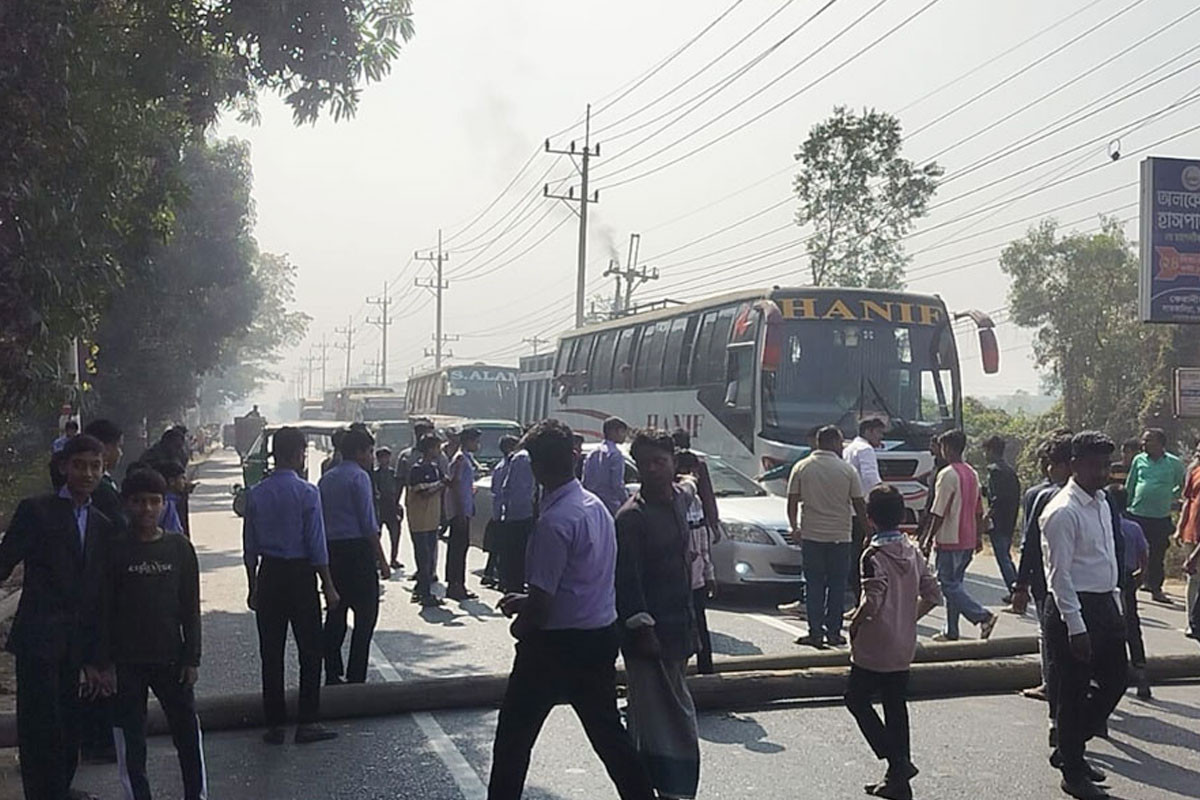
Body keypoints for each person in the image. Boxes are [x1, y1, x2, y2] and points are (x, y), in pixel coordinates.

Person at [489, 420, 654, 800]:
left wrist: (521, 625)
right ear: (574, 460)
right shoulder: (594, 506)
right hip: (598, 635)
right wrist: (528, 602)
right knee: (609, 736)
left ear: (536, 468)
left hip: (553, 646)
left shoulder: (554, 522)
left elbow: (544, 604)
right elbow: (579, 580)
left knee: (514, 737)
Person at [0, 434, 117, 800]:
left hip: (76, 645)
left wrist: (100, 657)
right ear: (65, 466)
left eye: (94, 466)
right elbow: (4, 563)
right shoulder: (36, 511)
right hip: (38, 640)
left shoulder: (103, 524)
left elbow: (100, 595)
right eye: (79, 465)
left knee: (69, 726)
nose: (87, 473)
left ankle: (60, 790)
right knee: (39, 727)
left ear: (104, 470)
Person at [109, 467, 206, 800]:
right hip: (126, 664)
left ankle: (196, 794)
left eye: (154, 501)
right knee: (131, 741)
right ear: (126, 505)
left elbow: (190, 606)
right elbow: (102, 609)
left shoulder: (179, 548)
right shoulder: (114, 549)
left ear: (166, 504)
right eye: (139, 502)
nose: (147, 509)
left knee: (188, 737)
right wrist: (104, 662)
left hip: (172, 660)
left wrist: (192, 657)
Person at [1041, 432, 1128, 800]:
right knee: (1072, 693)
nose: (1103, 473)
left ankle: (1069, 745)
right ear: (1075, 465)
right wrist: (1076, 627)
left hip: (1105, 603)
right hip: (1072, 608)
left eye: (1107, 466)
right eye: (1095, 466)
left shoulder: (1102, 502)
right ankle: (1073, 772)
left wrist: (1117, 607)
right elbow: (1059, 576)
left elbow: (1106, 557)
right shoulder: (1063, 511)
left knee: (1117, 680)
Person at [615, 429, 700, 800]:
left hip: (680, 626)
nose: (653, 470)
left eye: (660, 462)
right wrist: (641, 627)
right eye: (646, 463)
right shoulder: (632, 517)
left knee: (658, 714)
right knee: (665, 717)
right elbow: (626, 581)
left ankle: (663, 787)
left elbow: (694, 482)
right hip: (649, 634)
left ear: (673, 464)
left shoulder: (679, 498)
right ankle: (668, 788)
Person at [242, 426, 341, 744]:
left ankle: (275, 725)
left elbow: (249, 547)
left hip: (269, 574)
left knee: (271, 652)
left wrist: (253, 585)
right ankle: (307, 722)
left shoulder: (255, 494)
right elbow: (317, 544)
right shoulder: (307, 492)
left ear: (274, 453)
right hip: (300, 576)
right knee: (310, 650)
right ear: (299, 454)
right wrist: (328, 584)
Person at [845, 485, 943, 800]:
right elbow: (933, 594)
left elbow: (871, 602)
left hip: (875, 645)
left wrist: (854, 624)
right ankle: (898, 780)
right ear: (902, 515)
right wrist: (906, 617)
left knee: (856, 699)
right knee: (895, 706)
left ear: (870, 518)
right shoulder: (912, 550)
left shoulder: (872, 555)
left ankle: (897, 763)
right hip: (902, 643)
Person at [320, 427, 391, 685]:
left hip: (333, 552)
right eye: (370, 451)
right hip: (358, 552)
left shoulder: (327, 479)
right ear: (360, 452)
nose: (372, 456)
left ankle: (332, 670)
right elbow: (367, 523)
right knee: (365, 617)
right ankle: (356, 676)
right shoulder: (360, 478)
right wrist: (382, 559)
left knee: (336, 614)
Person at [787, 425, 867, 648]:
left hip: (812, 535)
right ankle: (834, 632)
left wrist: (794, 528)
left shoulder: (802, 467)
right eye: (840, 442)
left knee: (813, 585)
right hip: (841, 536)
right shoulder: (847, 470)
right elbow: (859, 504)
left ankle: (815, 632)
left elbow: (792, 501)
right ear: (833, 443)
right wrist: (868, 531)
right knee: (837, 586)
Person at [1011, 431, 1073, 708]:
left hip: (1046, 581)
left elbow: (1030, 544)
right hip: (1078, 584)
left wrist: (1020, 585)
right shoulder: (1098, 497)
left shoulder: (1039, 495)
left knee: (1049, 634)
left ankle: (1052, 685)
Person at [923, 430, 998, 642]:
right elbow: (978, 510)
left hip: (949, 538)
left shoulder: (947, 474)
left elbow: (938, 511)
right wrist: (978, 537)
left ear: (949, 448)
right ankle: (951, 631)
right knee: (955, 586)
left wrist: (928, 538)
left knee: (947, 584)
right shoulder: (972, 473)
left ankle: (982, 616)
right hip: (967, 538)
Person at [80, 417, 125, 763]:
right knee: (100, 664)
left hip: (100, 587)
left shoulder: (103, 487)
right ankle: (98, 739)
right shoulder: (101, 492)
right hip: (99, 587)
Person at [1124, 427, 1185, 605]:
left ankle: (1156, 588)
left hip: (1160, 516)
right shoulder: (1139, 460)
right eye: (1144, 440)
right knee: (1135, 552)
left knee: (1157, 553)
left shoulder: (1173, 463)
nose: (1144, 443)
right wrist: (1125, 506)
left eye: (1148, 440)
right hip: (1138, 514)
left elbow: (1182, 484)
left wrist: (1170, 495)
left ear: (1160, 443)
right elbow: (1131, 483)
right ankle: (1131, 588)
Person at [1106, 484, 1150, 699]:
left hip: (1109, 578)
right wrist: (1142, 572)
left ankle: (1112, 673)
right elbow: (1144, 553)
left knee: (1107, 625)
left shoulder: (1105, 524)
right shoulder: (1134, 527)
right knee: (1132, 623)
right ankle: (1140, 671)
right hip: (1129, 577)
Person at [676, 449, 716, 675]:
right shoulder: (673, 498)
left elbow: (702, 541)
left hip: (695, 576)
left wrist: (709, 574)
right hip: (681, 577)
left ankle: (706, 672)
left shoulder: (694, 501)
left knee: (699, 625)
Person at [845, 418, 886, 603]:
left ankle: (857, 599)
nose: (881, 437)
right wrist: (884, 495)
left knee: (853, 557)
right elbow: (870, 478)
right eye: (879, 432)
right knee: (870, 557)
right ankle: (868, 599)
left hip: (849, 510)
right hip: (865, 510)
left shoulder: (849, 449)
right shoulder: (866, 450)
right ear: (868, 431)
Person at [407, 434, 447, 607]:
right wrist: (441, 484)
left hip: (432, 519)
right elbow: (422, 493)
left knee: (430, 558)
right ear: (429, 449)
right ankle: (424, 593)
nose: (439, 451)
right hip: (419, 520)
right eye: (437, 447)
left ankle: (422, 590)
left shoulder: (434, 467)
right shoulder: (418, 469)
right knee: (423, 558)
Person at [443, 427, 481, 601]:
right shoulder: (460, 459)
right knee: (458, 549)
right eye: (475, 441)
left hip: (464, 508)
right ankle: (455, 585)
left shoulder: (466, 458)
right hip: (459, 511)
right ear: (467, 441)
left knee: (461, 548)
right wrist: (459, 511)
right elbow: (455, 485)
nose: (477, 444)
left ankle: (459, 584)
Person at [983, 435, 1022, 602]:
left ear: (991, 450)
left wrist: (987, 516)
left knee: (1003, 558)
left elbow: (997, 498)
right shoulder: (1010, 471)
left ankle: (1015, 591)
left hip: (998, 521)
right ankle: (1017, 588)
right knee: (1006, 555)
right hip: (1010, 519)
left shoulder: (995, 471)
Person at [499, 438, 536, 594]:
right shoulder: (524, 458)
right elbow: (520, 491)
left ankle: (514, 586)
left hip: (519, 513)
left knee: (518, 557)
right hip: (521, 515)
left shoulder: (522, 457)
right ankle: (514, 589)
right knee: (518, 556)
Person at [483, 436, 517, 589]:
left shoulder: (500, 466)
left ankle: (489, 573)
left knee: (497, 546)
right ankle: (502, 579)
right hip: (505, 512)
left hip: (499, 511)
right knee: (504, 548)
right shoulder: (508, 467)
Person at [1176, 443, 1200, 642]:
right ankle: (1191, 621)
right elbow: (1187, 501)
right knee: (1193, 579)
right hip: (1192, 532)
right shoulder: (1194, 471)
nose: (1197, 455)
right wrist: (1180, 528)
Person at [583, 416, 630, 516]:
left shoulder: (592, 453)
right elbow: (617, 485)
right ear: (613, 432)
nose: (625, 435)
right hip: (610, 506)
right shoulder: (615, 455)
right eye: (622, 431)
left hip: (591, 504)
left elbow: (585, 481)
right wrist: (626, 501)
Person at [373, 446, 404, 572]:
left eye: (387, 457)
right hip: (380, 506)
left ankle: (393, 558)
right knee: (377, 534)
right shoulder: (375, 474)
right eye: (382, 458)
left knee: (395, 534)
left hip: (392, 505)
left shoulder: (393, 473)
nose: (385, 460)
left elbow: (398, 488)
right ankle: (378, 559)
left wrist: (397, 504)